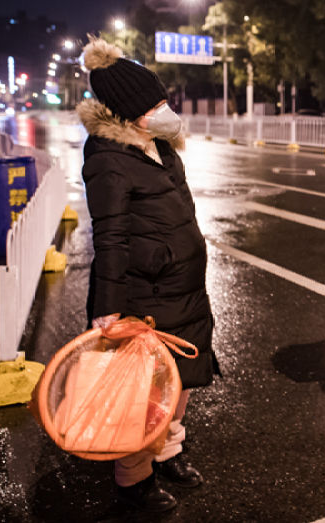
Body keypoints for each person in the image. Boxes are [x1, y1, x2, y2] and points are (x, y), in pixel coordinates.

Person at [77, 37, 218, 513]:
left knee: (179, 388)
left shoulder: (161, 148)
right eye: (155, 105)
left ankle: (169, 452)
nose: (166, 110)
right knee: (142, 395)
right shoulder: (107, 159)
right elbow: (111, 239)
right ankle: (133, 479)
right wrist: (108, 312)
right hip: (145, 296)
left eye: (164, 101)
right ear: (128, 112)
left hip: (183, 290)